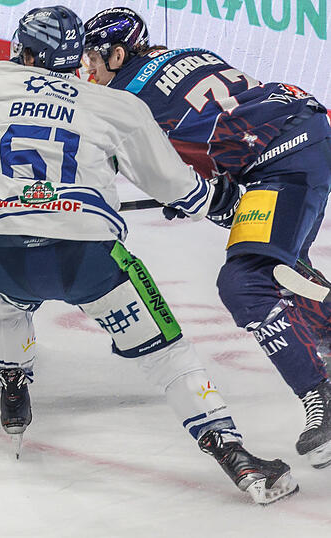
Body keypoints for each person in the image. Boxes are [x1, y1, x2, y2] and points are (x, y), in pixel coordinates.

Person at [0, 5, 296, 504]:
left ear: (25, 51)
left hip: (9, 249)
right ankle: (234, 457)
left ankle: (12, 386)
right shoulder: (117, 107)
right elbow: (177, 187)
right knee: (168, 354)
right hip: (91, 260)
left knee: (0, 297)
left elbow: (2, 136)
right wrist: (217, 201)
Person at [84, 7, 331, 469]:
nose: (88, 72)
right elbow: (216, 134)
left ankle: (322, 395)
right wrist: (209, 192)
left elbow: (181, 179)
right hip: (297, 132)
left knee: (246, 283)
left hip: (285, 161)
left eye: (94, 61)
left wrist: (196, 194)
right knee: (273, 266)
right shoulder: (188, 53)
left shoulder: (122, 101)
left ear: (117, 54)